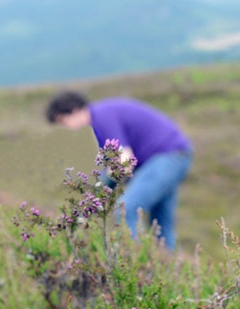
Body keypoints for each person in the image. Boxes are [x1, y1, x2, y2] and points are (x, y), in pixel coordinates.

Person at [46, 91, 192, 250]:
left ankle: (139, 265)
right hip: (174, 156)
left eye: (62, 121)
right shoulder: (101, 117)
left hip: (166, 158)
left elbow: (124, 162)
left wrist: (95, 197)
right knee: (161, 226)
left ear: (73, 111)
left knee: (126, 209)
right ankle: (169, 269)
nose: (66, 128)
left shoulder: (101, 119)